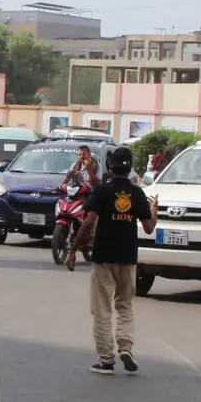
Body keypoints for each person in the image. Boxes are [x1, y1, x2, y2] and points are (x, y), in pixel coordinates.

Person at [68, 145, 157, 375]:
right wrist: (154, 210)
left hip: (104, 257)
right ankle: (125, 347)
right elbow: (148, 227)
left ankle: (106, 360)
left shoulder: (102, 192)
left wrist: (74, 249)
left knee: (102, 310)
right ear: (129, 169)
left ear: (110, 166)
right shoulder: (137, 194)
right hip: (128, 257)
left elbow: (88, 223)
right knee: (125, 306)